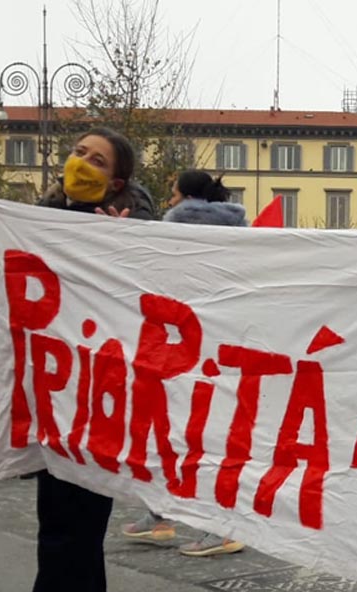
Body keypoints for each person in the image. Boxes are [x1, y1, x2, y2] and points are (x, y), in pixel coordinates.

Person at [0, 126, 154, 592]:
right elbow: (0, 248)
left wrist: (127, 246)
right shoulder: (43, 217)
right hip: (53, 392)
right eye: (78, 152)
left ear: (116, 178)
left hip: (102, 393)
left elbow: (151, 291)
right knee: (65, 512)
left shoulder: (134, 225)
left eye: (95, 159)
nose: (81, 162)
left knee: (72, 514)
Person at [121, 169, 246, 557]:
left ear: (184, 198)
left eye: (172, 193)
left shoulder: (172, 233)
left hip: (180, 353)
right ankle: (173, 517)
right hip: (221, 351)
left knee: (178, 438)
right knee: (203, 439)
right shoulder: (240, 233)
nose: (169, 200)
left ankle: (216, 526)